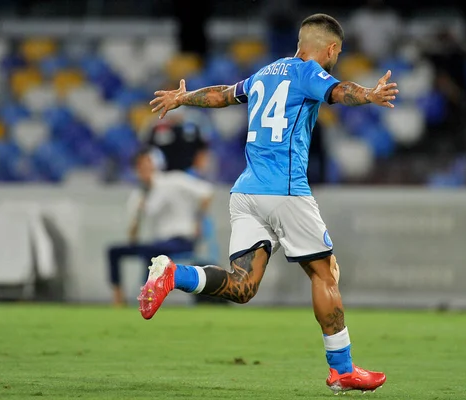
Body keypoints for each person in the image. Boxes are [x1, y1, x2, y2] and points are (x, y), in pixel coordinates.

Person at [141, 13, 398, 394]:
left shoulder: (264, 74)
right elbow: (340, 90)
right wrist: (371, 95)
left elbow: (224, 94)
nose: (336, 59)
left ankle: (173, 274)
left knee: (242, 288)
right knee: (325, 274)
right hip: (286, 190)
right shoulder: (308, 70)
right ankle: (342, 370)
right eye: (337, 52)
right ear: (329, 49)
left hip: (246, 194)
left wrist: (183, 98)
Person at [107, 146, 214, 306]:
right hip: (158, 242)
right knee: (114, 251)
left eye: (147, 164)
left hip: (182, 239)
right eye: (140, 166)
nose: (144, 169)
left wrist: (198, 221)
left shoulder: (173, 180)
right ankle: (119, 298)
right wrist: (138, 214)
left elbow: (207, 192)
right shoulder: (138, 195)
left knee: (151, 252)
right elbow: (133, 236)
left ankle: (148, 297)